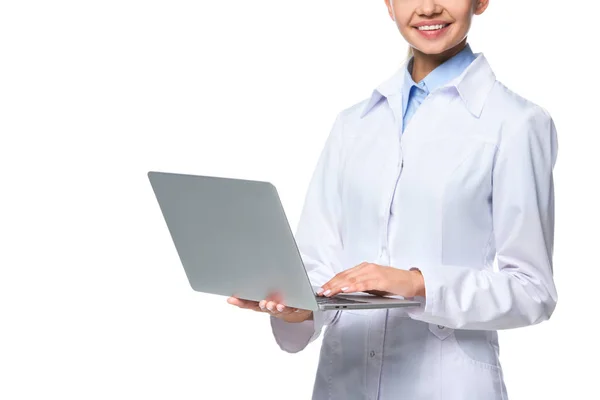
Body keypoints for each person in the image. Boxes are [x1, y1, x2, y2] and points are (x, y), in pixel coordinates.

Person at [228, 0, 558, 398]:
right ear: (388, 3)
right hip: (344, 381)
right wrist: (300, 308)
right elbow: (317, 262)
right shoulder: (353, 124)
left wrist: (419, 284)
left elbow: (532, 291)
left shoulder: (516, 123)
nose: (429, 7)